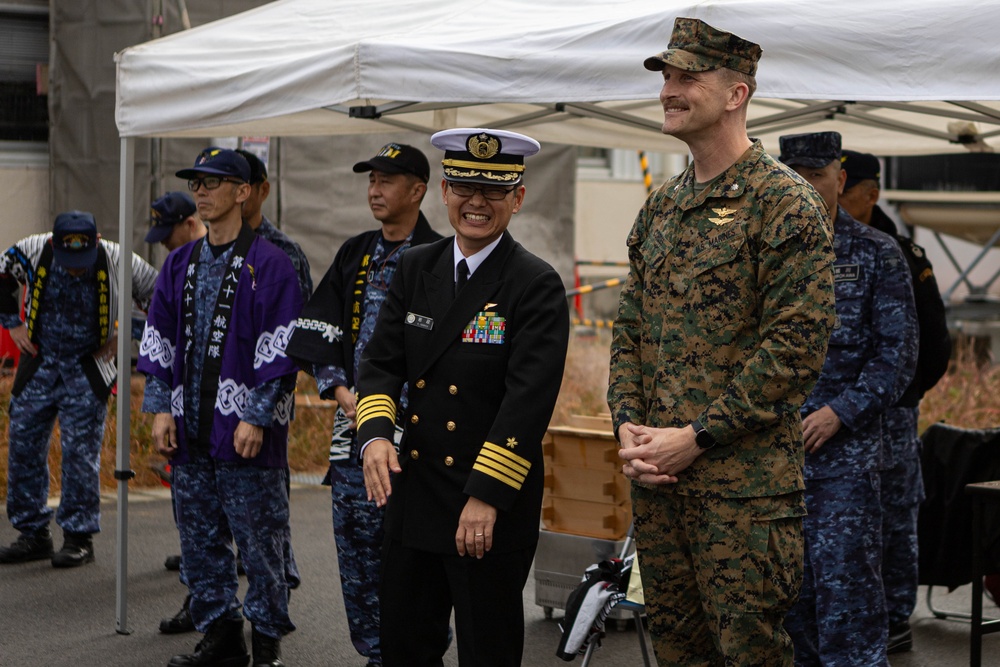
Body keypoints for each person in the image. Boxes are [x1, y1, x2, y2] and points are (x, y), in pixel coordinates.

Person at [606, 18, 837, 666]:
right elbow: (628, 331)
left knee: (750, 656)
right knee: (678, 652)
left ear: (736, 93)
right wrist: (629, 427)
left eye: (687, 77)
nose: (669, 90)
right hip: (659, 485)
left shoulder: (783, 202)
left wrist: (696, 436)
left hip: (743, 494)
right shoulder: (661, 208)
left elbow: (794, 347)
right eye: (667, 77)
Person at [357, 127, 569, 667]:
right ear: (444, 192)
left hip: (489, 504)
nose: (477, 203)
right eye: (464, 188)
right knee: (405, 647)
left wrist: (486, 496)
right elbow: (381, 363)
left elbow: (527, 403)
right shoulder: (415, 265)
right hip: (417, 494)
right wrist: (376, 436)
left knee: (487, 651)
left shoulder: (534, 283)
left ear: (517, 199)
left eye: (494, 191)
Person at [138, 147, 303, 667]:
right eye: (198, 183)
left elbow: (281, 348)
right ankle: (220, 635)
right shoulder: (180, 263)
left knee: (261, 543)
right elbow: (158, 337)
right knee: (199, 539)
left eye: (214, 182)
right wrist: (161, 408)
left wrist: (256, 415)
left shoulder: (272, 263)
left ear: (243, 191)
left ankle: (267, 644)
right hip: (190, 428)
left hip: (245, 431)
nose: (202, 191)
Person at [285, 142, 442, 666]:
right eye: (371, 179)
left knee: (412, 561)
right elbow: (317, 332)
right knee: (356, 556)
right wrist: (341, 391)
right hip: (354, 433)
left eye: (388, 180)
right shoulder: (355, 252)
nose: (375, 189)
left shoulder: (439, 258)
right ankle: (375, 654)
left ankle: (416, 654)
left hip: (415, 442)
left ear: (418, 191)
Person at [778, 132, 918, 667]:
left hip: (846, 466)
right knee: (788, 604)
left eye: (817, 175)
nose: (806, 187)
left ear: (840, 179)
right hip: (773, 459)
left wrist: (842, 412)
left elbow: (897, 358)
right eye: (796, 176)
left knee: (848, 601)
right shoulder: (764, 250)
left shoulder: (877, 253)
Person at [839, 148, 951, 653]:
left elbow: (932, 343)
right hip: (838, 413)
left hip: (892, 410)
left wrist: (902, 398)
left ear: (868, 193)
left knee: (896, 509)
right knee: (850, 519)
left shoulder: (899, 252)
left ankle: (897, 614)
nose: (832, 197)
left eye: (843, 188)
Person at [0, 211, 158, 568]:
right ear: (54, 243)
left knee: (79, 455)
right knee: (23, 443)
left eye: (81, 262)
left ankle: (78, 537)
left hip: (88, 365)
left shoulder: (119, 258)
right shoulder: (34, 248)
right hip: (38, 359)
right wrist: (13, 325)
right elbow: (1, 277)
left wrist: (125, 336)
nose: (75, 269)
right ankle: (32, 533)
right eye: (69, 262)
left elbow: (161, 298)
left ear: (97, 240)